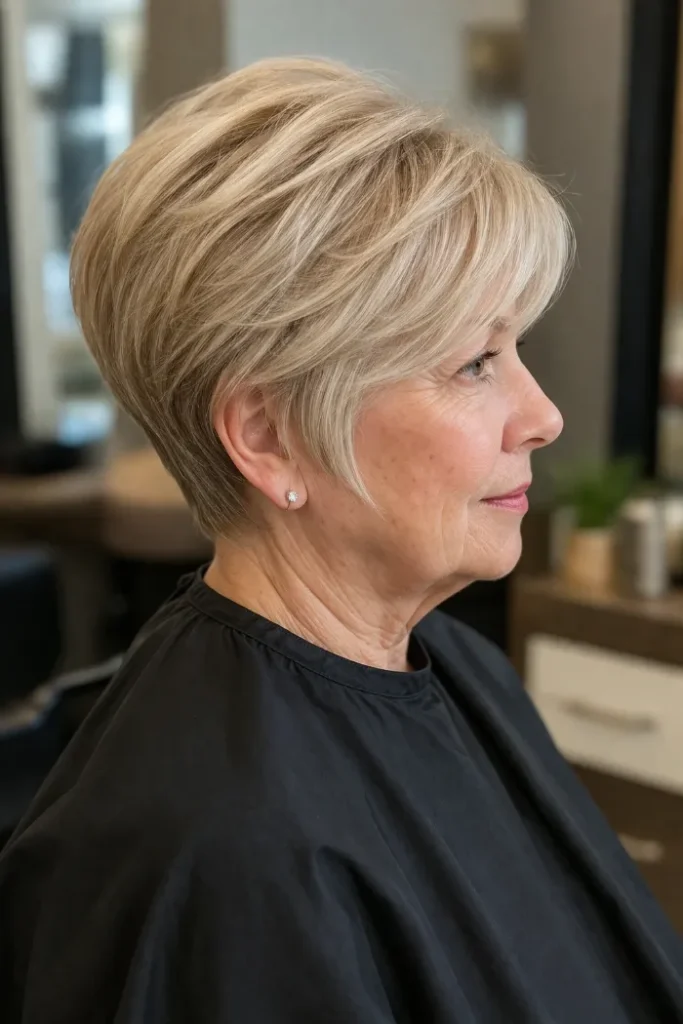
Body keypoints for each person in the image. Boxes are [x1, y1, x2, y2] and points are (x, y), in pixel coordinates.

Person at [1, 58, 681, 1024]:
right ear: (269, 435)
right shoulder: (225, 857)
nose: (542, 416)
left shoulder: (460, 667)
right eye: (475, 362)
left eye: (515, 348)